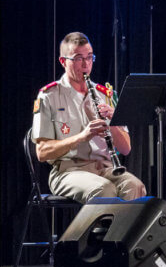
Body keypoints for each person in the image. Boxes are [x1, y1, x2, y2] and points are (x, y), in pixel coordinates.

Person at [32, 32, 146, 204]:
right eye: (78, 58)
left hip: (105, 168)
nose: (86, 64)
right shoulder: (49, 95)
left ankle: (118, 231)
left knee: (135, 186)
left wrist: (112, 125)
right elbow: (42, 153)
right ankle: (101, 231)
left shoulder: (106, 95)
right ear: (63, 61)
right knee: (104, 190)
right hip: (68, 171)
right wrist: (82, 137)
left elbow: (126, 149)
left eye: (90, 57)